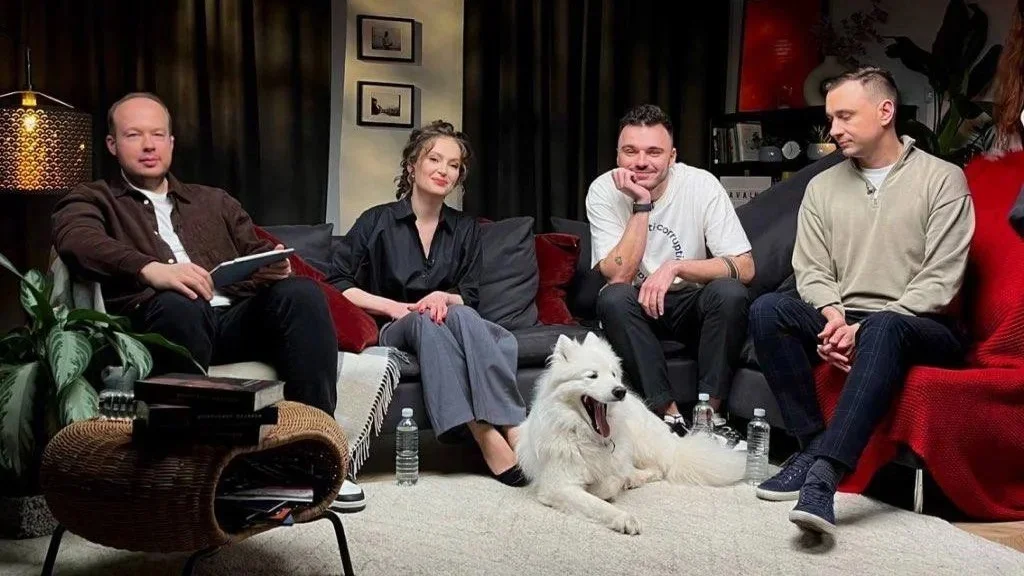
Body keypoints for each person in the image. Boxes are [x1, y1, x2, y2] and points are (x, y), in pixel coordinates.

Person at [51, 92, 365, 510]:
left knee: (301, 293)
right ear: (112, 144)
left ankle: (315, 455)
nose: (148, 145)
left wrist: (272, 267)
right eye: (134, 135)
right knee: (180, 301)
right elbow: (75, 240)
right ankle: (195, 469)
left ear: (171, 142)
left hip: (230, 321)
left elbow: (255, 252)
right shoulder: (93, 199)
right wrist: (151, 269)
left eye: (158, 135)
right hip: (161, 324)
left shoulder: (213, 201)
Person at [749, 67, 975, 535]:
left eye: (845, 116)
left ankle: (824, 476)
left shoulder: (943, 179)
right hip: (846, 314)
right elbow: (811, 268)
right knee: (768, 310)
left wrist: (864, 328)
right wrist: (833, 316)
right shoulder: (822, 186)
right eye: (831, 118)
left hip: (922, 323)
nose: (834, 129)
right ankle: (811, 445)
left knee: (884, 326)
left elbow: (941, 279)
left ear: (885, 111)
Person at [328, 120, 529, 487]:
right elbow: (337, 284)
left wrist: (443, 296)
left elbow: (469, 295)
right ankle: (483, 429)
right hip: (395, 327)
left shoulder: (466, 228)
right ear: (412, 166)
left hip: (446, 321)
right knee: (425, 320)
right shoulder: (377, 221)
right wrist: (395, 308)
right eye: (434, 159)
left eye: (453, 165)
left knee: (460, 313)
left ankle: (510, 425)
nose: (443, 170)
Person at [586, 104, 755, 435]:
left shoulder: (700, 185)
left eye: (654, 152)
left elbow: (745, 267)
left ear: (672, 156)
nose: (641, 161)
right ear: (617, 155)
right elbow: (618, 276)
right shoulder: (603, 190)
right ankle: (670, 418)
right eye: (630, 151)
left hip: (689, 304)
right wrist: (641, 203)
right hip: (635, 308)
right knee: (614, 297)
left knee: (730, 292)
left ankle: (710, 420)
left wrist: (676, 267)